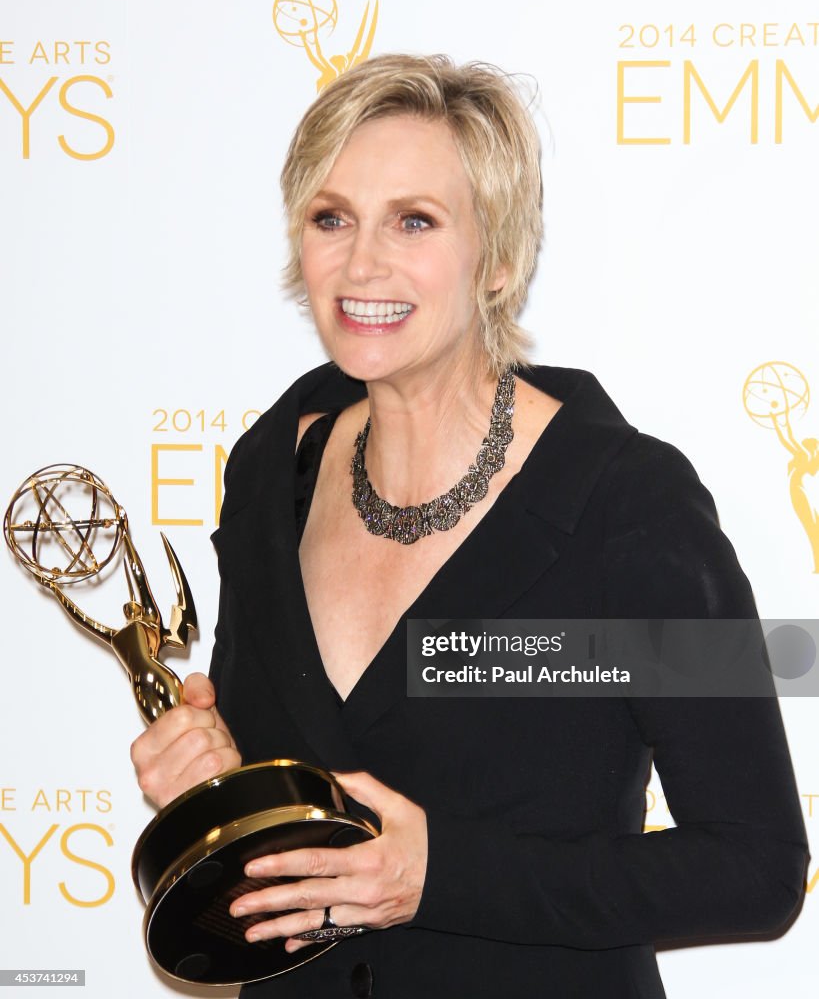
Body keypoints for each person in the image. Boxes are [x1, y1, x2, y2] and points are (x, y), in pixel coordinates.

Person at [130, 54, 809, 998]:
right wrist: (229, 791)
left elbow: (756, 869)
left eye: (414, 221)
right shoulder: (266, 474)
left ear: (497, 259)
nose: (361, 263)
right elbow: (311, 829)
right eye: (333, 218)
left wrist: (438, 876)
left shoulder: (628, 505)